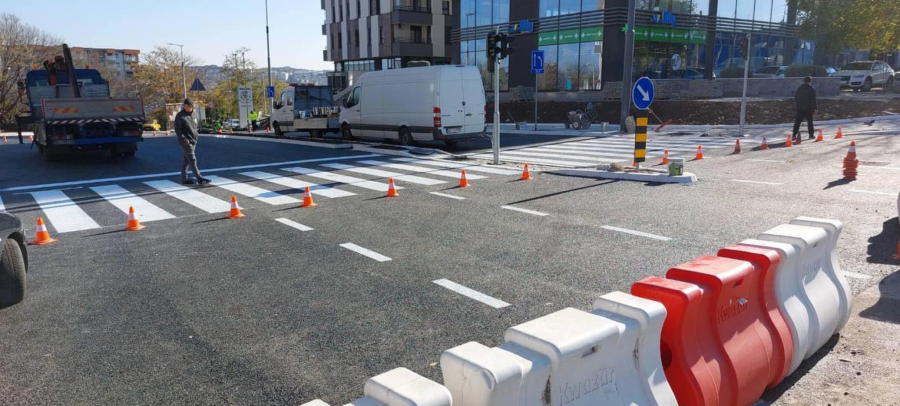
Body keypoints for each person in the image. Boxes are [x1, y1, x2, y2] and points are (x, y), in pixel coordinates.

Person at [174, 98, 209, 185]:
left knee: (186, 161)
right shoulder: (180, 116)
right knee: (192, 159)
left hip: (193, 140)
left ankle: (184, 179)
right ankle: (199, 178)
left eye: (188, 106)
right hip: (186, 142)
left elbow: (196, 127)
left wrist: (196, 136)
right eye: (185, 106)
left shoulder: (195, 114)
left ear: (192, 106)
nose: (186, 107)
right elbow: (178, 130)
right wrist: (185, 140)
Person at [793, 76, 818, 143]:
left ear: (804, 81)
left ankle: (794, 135)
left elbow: (796, 97)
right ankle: (811, 135)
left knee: (797, 122)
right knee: (810, 122)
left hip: (800, 108)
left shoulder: (799, 88)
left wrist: (798, 105)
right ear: (810, 81)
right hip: (808, 108)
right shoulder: (811, 89)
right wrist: (815, 108)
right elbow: (813, 100)